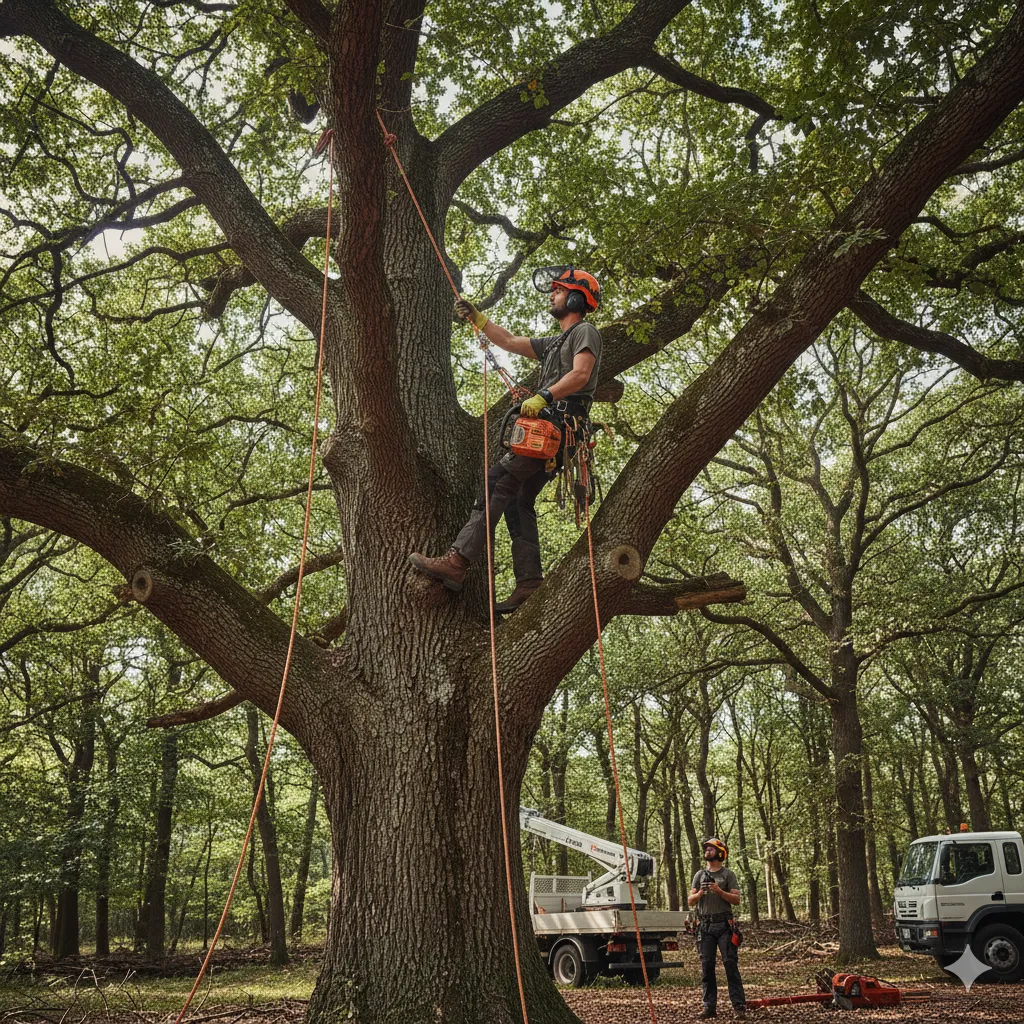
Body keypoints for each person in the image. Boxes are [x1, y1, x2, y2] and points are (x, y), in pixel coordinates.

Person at [409, 266, 602, 611]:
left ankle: (457, 561)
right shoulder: (554, 342)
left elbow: (581, 373)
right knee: (517, 499)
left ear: (575, 298)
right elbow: (511, 342)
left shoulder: (584, 331)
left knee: (497, 481)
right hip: (551, 435)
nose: (553, 295)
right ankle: (529, 582)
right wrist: (479, 319)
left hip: (557, 429)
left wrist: (544, 396)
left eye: (558, 290)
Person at [688, 838, 747, 1018]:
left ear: (720, 853)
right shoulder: (699, 875)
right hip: (705, 926)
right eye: (706, 849)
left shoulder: (728, 874)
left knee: (730, 964)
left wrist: (719, 891)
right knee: (707, 966)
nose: (707, 851)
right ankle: (709, 1007)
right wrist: (701, 893)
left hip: (724, 925)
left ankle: (738, 1007)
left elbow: (736, 900)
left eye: (711, 849)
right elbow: (690, 901)